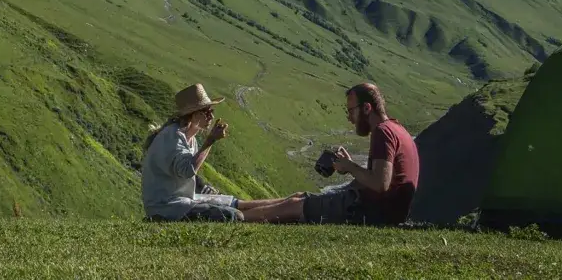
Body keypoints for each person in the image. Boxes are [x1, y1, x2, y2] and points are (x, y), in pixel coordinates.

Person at [244, 82, 420, 225]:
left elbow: (381, 184)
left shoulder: (383, 132)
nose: (349, 118)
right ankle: (237, 205)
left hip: (371, 213)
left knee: (295, 206)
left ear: (367, 108)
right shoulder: (397, 128)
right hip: (386, 212)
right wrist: (349, 166)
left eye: (351, 111)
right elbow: (382, 180)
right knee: (299, 197)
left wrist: (351, 167)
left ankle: (234, 216)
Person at [141, 82, 246, 221]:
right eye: (206, 112)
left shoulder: (190, 139)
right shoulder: (173, 136)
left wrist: (204, 188)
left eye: (211, 111)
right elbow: (187, 170)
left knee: (232, 203)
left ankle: (277, 208)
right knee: (233, 215)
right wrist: (210, 140)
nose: (211, 116)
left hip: (180, 201)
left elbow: (185, 174)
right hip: (166, 207)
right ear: (193, 115)